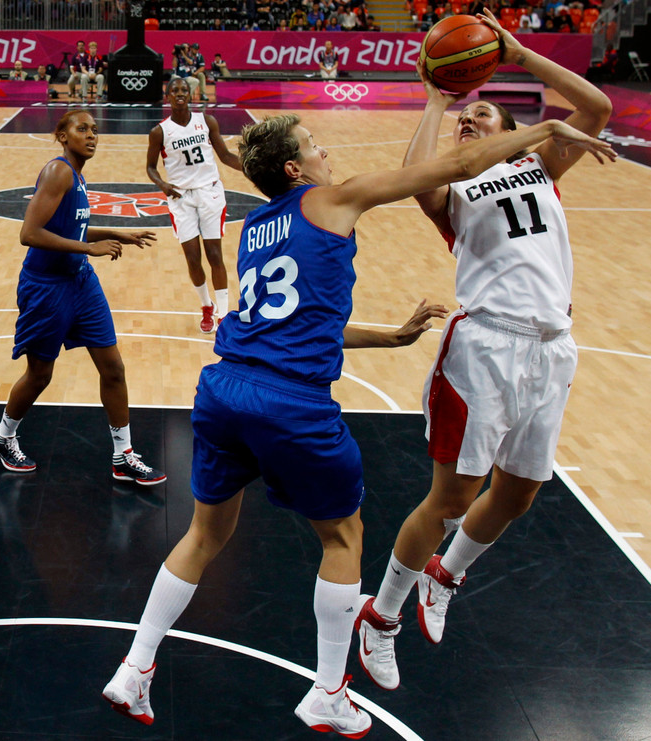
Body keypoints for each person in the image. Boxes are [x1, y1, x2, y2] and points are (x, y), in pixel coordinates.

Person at [100, 105, 613, 734]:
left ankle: (134, 670)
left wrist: (392, 338)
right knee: (343, 539)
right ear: (295, 167)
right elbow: (451, 165)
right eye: (314, 145)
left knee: (204, 535)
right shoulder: (333, 199)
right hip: (290, 403)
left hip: (224, 388)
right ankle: (329, 693)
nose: (326, 153)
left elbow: (298, 324)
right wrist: (544, 131)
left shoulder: (258, 224)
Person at [355, 11, 616, 695]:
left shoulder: (544, 163)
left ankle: (445, 575)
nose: (471, 126)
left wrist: (522, 54)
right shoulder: (457, 190)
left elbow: (597, 106)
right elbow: (419, 176)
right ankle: (381, 617)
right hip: (484, 347)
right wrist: (439, 99)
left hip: (553, 348)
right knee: (451, 497)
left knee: (521, 492)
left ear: (513, 131)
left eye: (481, 119)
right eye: (466, 123)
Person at [0, 110, 166, 486]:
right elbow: (30, 233)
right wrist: (89, 247)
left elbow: (73, 225)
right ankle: (2, 437)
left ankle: (123, 455)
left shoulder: (78, 175)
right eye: (82, 129)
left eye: (95, 130)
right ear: (62, 136)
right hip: (46, 286)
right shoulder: (58, 172)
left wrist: (117, 233)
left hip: (81, 282)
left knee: (113, 368)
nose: (92, 135)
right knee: (40, 375)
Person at [147, 78, 242, 333]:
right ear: (167, 97)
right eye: (174, 91)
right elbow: (150, 167)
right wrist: (163, 185)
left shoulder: (206, 121)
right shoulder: (160, 131)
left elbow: (225, 156)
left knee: (214, 255)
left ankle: (223, 314)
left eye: (184, 90)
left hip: (210, 192)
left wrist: (252, 167)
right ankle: (206, 305)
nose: (180, 94)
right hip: (180, 198)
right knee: (193, 259)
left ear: (191, 95)